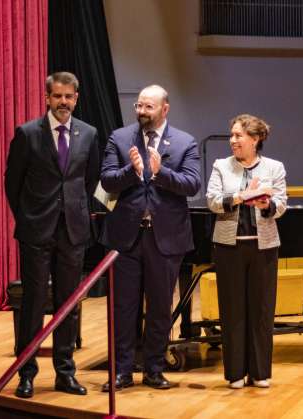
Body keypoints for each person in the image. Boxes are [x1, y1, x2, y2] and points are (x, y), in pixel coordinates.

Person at [99, 85, 201, 391]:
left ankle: (155, 369)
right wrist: (133, 170)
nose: (141, 112)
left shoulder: (185, 142)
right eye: (139, 106)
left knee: (159, 308)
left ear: (164, 109)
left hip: (166, 239)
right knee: (123, 308)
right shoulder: (119, 138)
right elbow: (106, 179)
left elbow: (193, 184)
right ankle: (122, 372)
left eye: (148, 107)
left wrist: (159, 173)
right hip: (126, 238)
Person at [4, 71, 100, 398]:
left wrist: (74, 211)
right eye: (57, 96)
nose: (63, 102)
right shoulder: (28, 133)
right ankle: (25, 374)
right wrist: (28, 218)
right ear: (47, 97)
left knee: (68, 305)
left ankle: (65, 372)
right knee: (33, 304)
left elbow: (88, 181)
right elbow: (12, 184)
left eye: (68, 97)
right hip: (36, 231)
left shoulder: (88, 134)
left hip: (73, 232)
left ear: (76, 98)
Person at [206, 114, 287, 389]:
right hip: (230, 246)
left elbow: (282, 204)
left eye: (239, 136)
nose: (233, 140)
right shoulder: (221, 166)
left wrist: (265, 204)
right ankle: (235, 373)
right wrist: (243, 196)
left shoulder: (274, 168)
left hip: (263, 246)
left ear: (255, 139)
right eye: (232, 135)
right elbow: (213, 201)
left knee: (262, 310)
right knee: (232, 309)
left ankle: (260, 372)